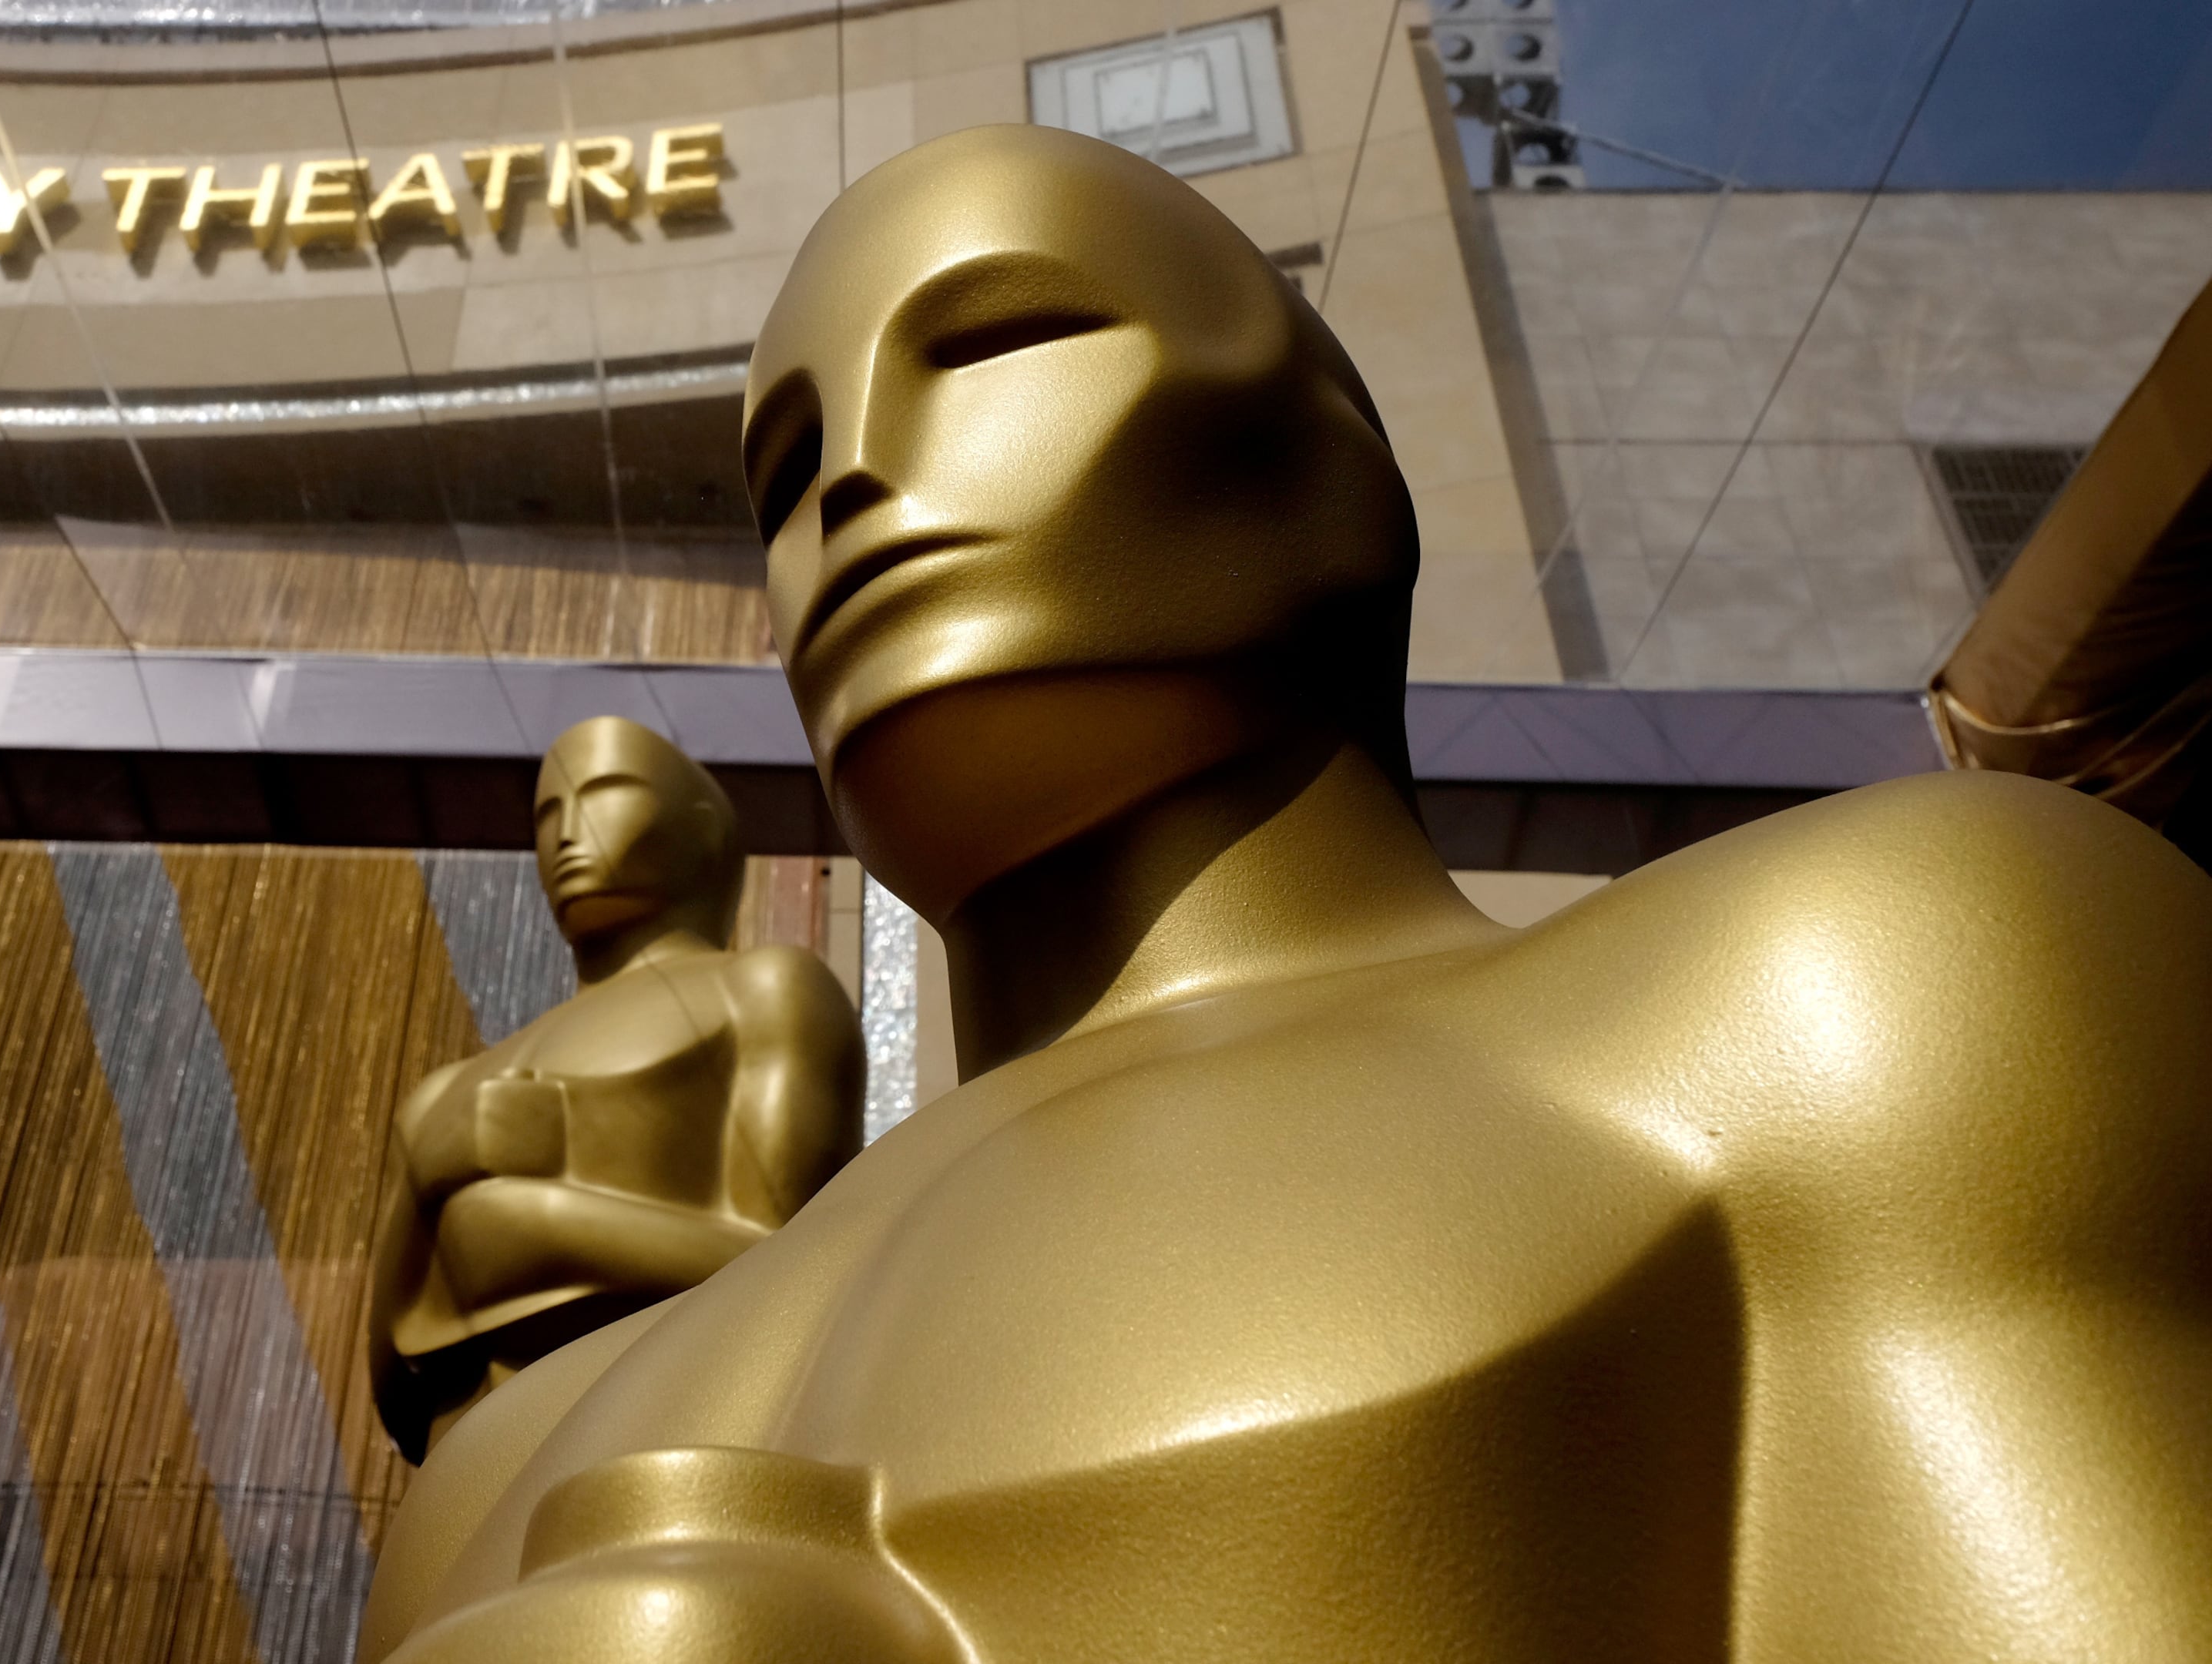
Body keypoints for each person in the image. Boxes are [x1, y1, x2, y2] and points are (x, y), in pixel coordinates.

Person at [359, 125, 2212, 1661]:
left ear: (1335, 469)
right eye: (779, 469)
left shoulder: (1847, 996)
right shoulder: (500, 1464)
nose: (848, 481)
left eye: (999, 344)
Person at [371, 716, 862, 1464]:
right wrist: (427, 1178)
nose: (567, 835)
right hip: (463, 1462)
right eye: (548, 814)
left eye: (606, 792)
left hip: (664, 1431)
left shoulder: (764, 991)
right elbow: (395, 1380)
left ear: (702, 829)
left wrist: (536, 1226)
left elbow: (798, 1272)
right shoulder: (447, 1094)